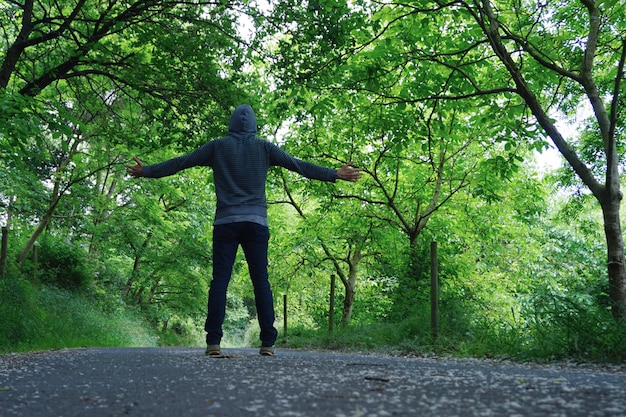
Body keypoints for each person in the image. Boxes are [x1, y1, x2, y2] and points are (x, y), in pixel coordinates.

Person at [127, 104, 362, 356]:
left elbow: (181, 162)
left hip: (225, 223)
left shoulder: (217, 146)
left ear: (231, 124)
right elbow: (299, 166)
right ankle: (268, 343)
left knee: (220, 281)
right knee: (260, 280)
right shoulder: (264, 147)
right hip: (256, 223)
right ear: (253, 125)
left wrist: (147, 171)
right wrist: (334, 174)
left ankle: (213, 342)